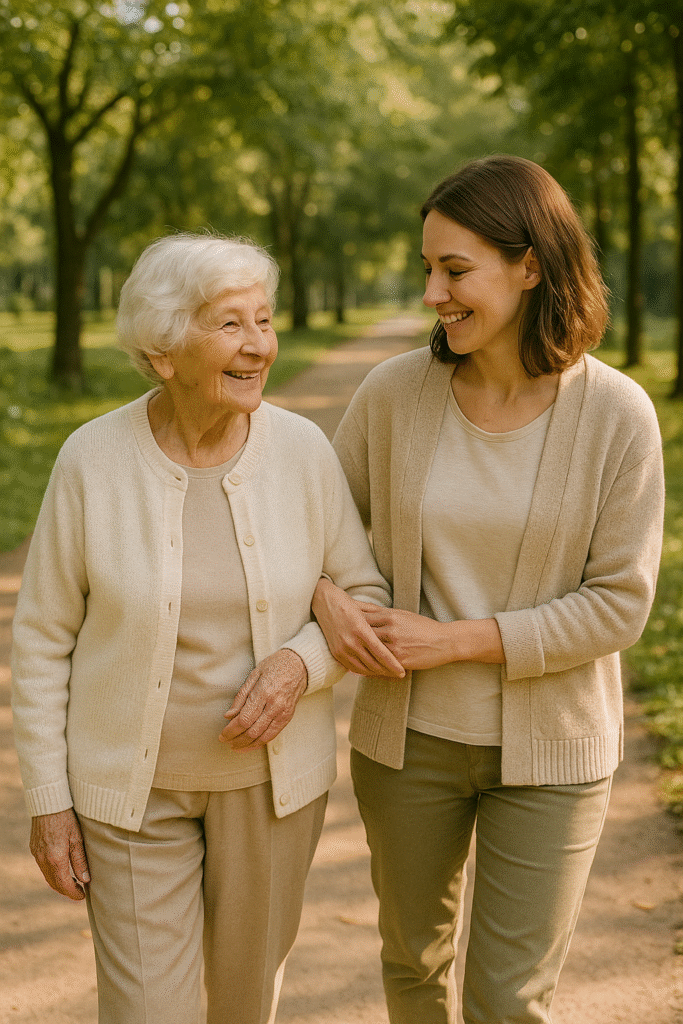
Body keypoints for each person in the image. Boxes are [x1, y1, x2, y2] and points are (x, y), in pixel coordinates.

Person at [311, 155, 665, 1024]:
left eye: (454, 270)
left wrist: (456, 640)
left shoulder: (617, 414)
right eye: (427, 269)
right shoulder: (395, 393)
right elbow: (315, 532)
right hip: (405, 743)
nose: (431, 292)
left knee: (508, 1001)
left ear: (529, 266)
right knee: (412, 962)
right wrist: (327, 599)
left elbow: (620, 600)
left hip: (553, 753)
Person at [11, 232, 391, 1024]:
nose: (258, 345)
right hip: (128, 799)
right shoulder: (91, 460)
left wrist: (298, 664)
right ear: (162, 352)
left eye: (264, 320)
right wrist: (49, 801)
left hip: (271, 794)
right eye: (229, 324)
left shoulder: (302, 452)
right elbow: (43, 639)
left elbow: (364, 595)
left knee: (244, 1007)